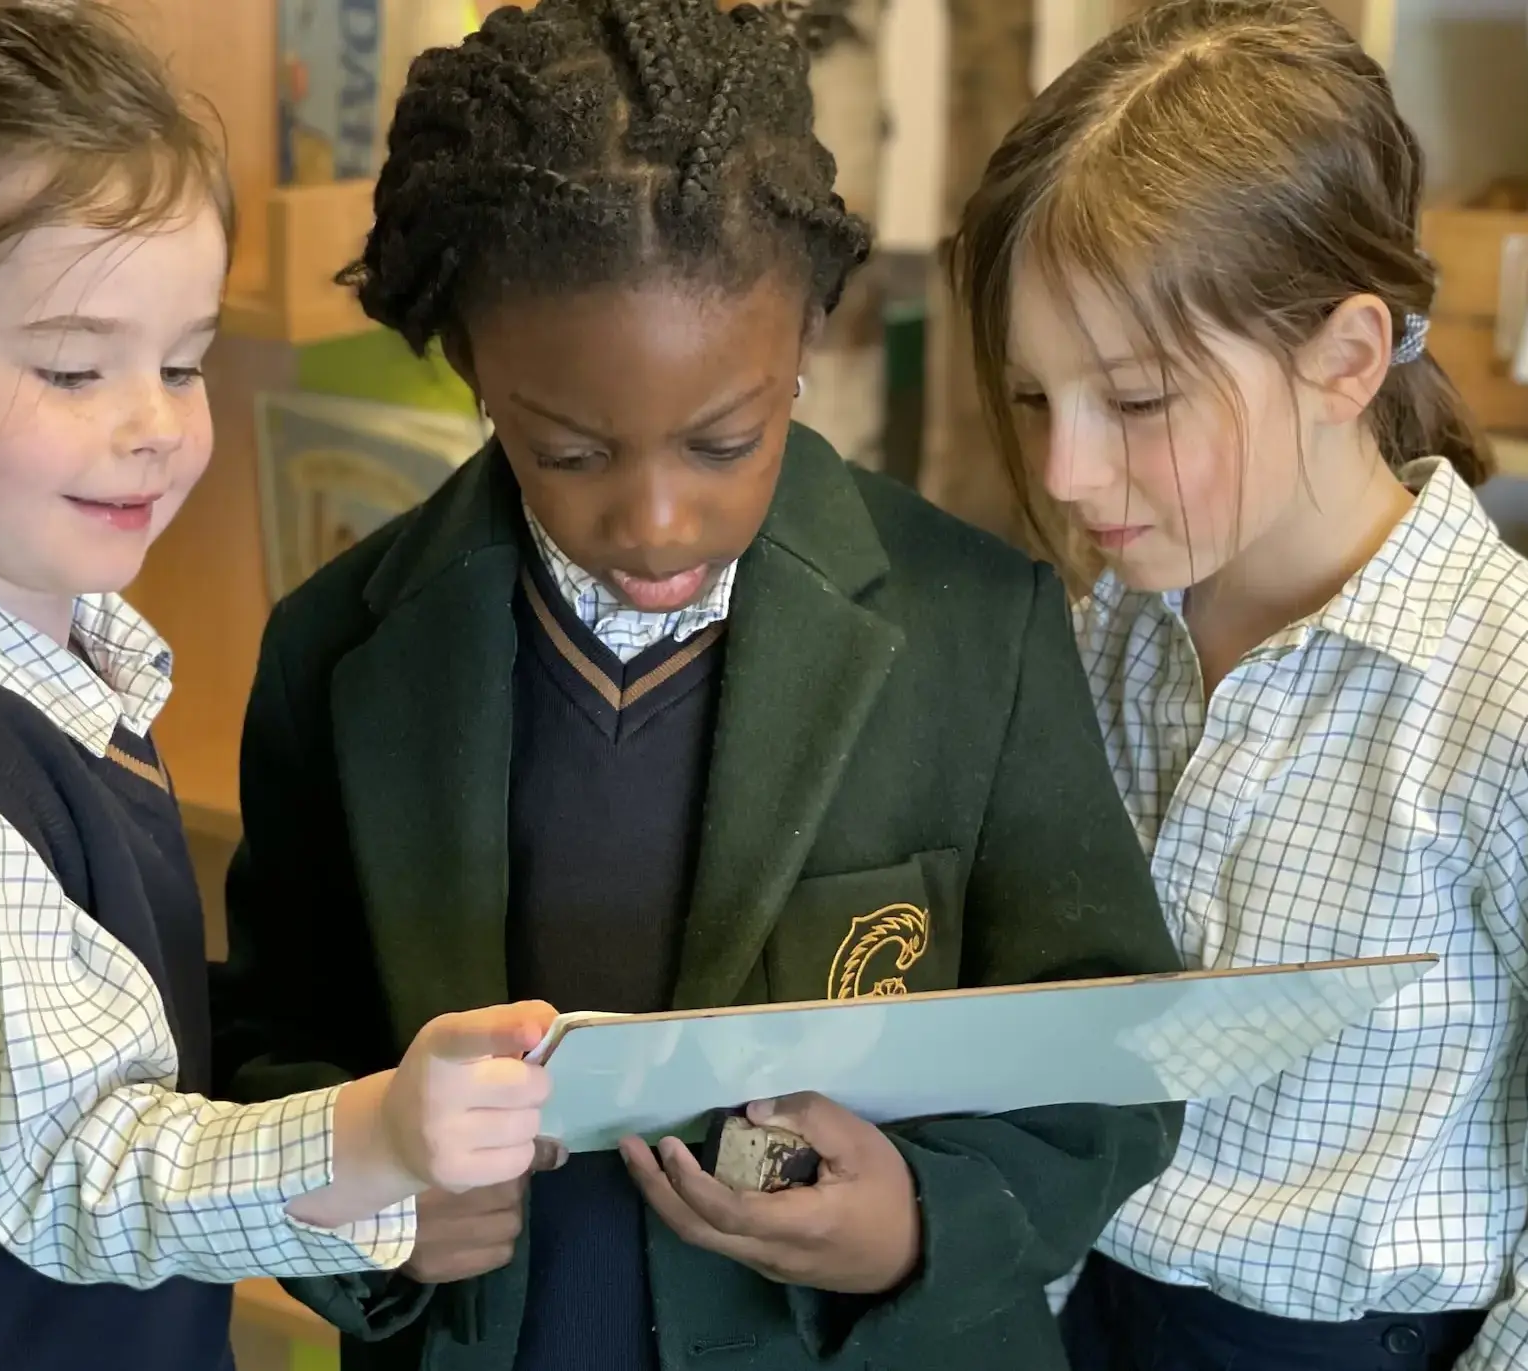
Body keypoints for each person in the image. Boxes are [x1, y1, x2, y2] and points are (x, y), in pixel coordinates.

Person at [204, 2, 1185, 1368]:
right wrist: (362, 1202)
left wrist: (917, 1216)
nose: (657, 521)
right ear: (474, 369)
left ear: (803, 346)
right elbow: (268, 1039)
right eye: (571, 452)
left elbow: (1116, 1052)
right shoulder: (338, 653)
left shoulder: (982, 626)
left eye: (727, 441)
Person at [0, 8, 557, 1370]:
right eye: (73, 367)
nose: (154, 424)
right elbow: (82, 1168)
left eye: (180, 362)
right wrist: (373, 1141)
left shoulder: (30, 656)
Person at [946, 3, 1528, 1369]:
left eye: (1136, 403)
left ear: (1349, 358)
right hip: (1077, 1303)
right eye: (1035, 401)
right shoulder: (1107, 637)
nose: (1071, 474)